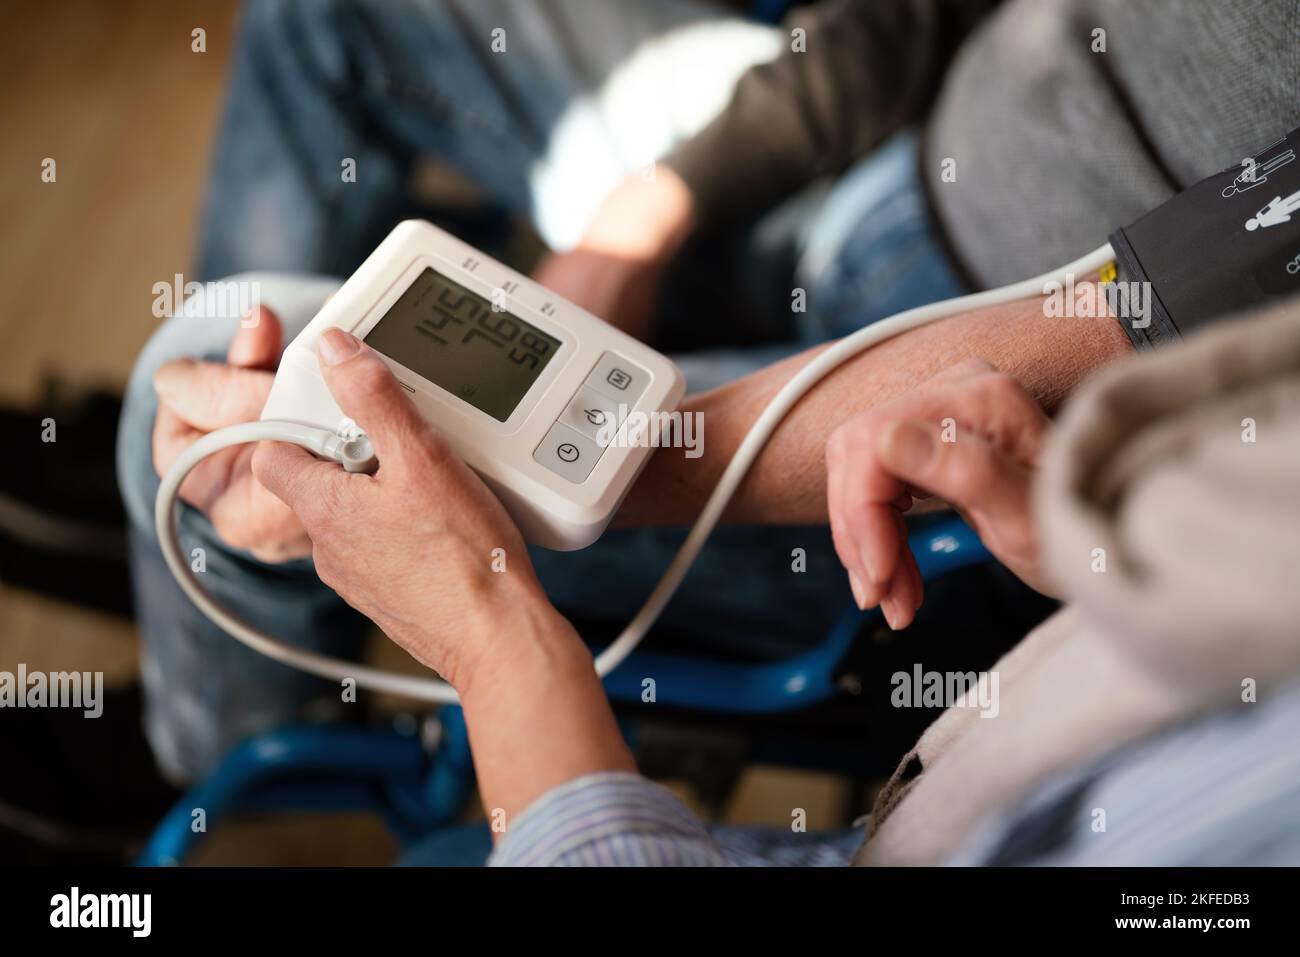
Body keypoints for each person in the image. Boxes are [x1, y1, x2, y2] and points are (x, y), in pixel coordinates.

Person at [119, 0, 1299, 785]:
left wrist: (594, 458)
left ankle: (244, 765)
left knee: (182, 398)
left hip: (967, 457)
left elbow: (1140, 332)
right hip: (873, 176)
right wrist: (650, 213)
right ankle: (252, 670)